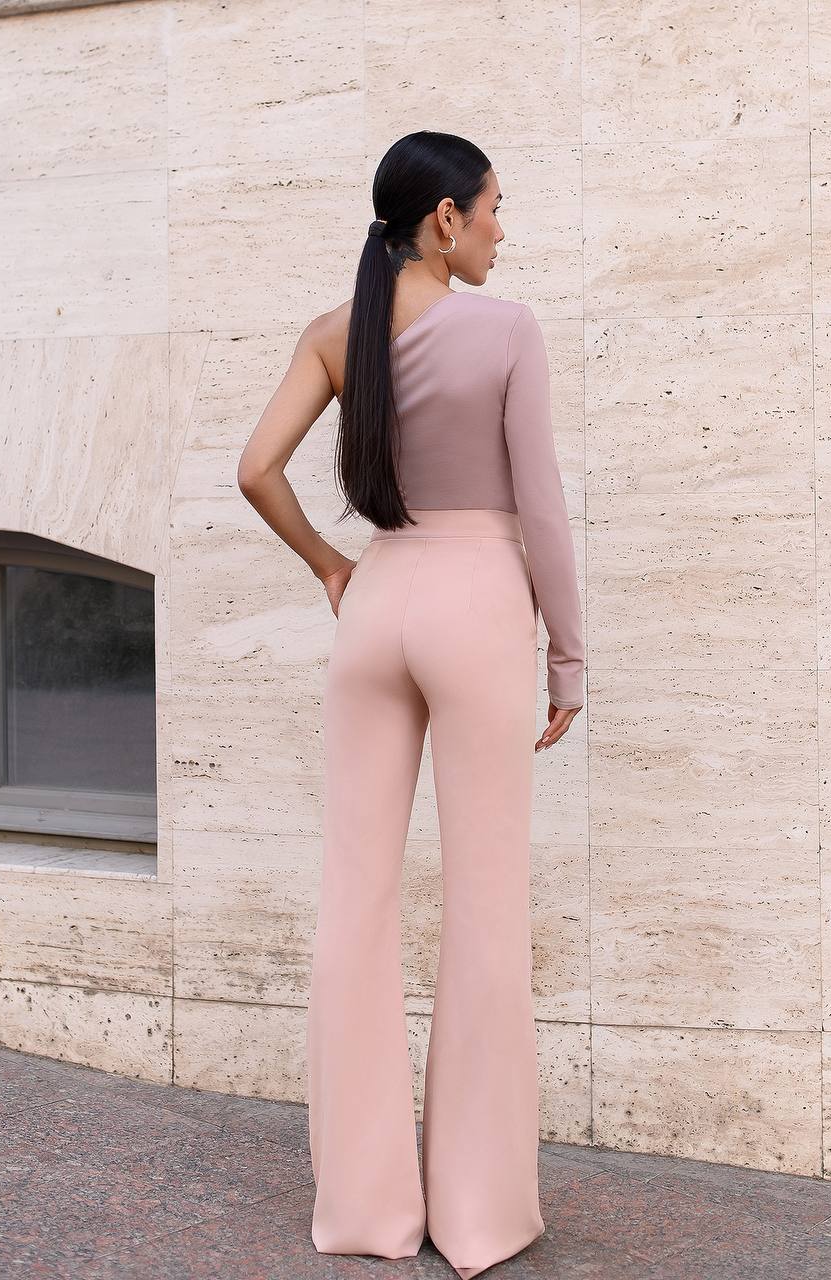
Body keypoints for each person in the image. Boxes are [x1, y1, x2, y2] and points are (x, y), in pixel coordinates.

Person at [237, 130, 584, 1279]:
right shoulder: (505, 329)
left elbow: (256, 469)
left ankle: (365, 1211)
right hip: (476, 601)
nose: (500, 228)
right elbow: (539, 507)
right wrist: (569, 657)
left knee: (357, 903)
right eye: (492, 209)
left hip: (377, 599)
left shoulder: (336, 334)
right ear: (443, 220)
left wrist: (332, 571)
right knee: (484, 906)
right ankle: (478, 1216)